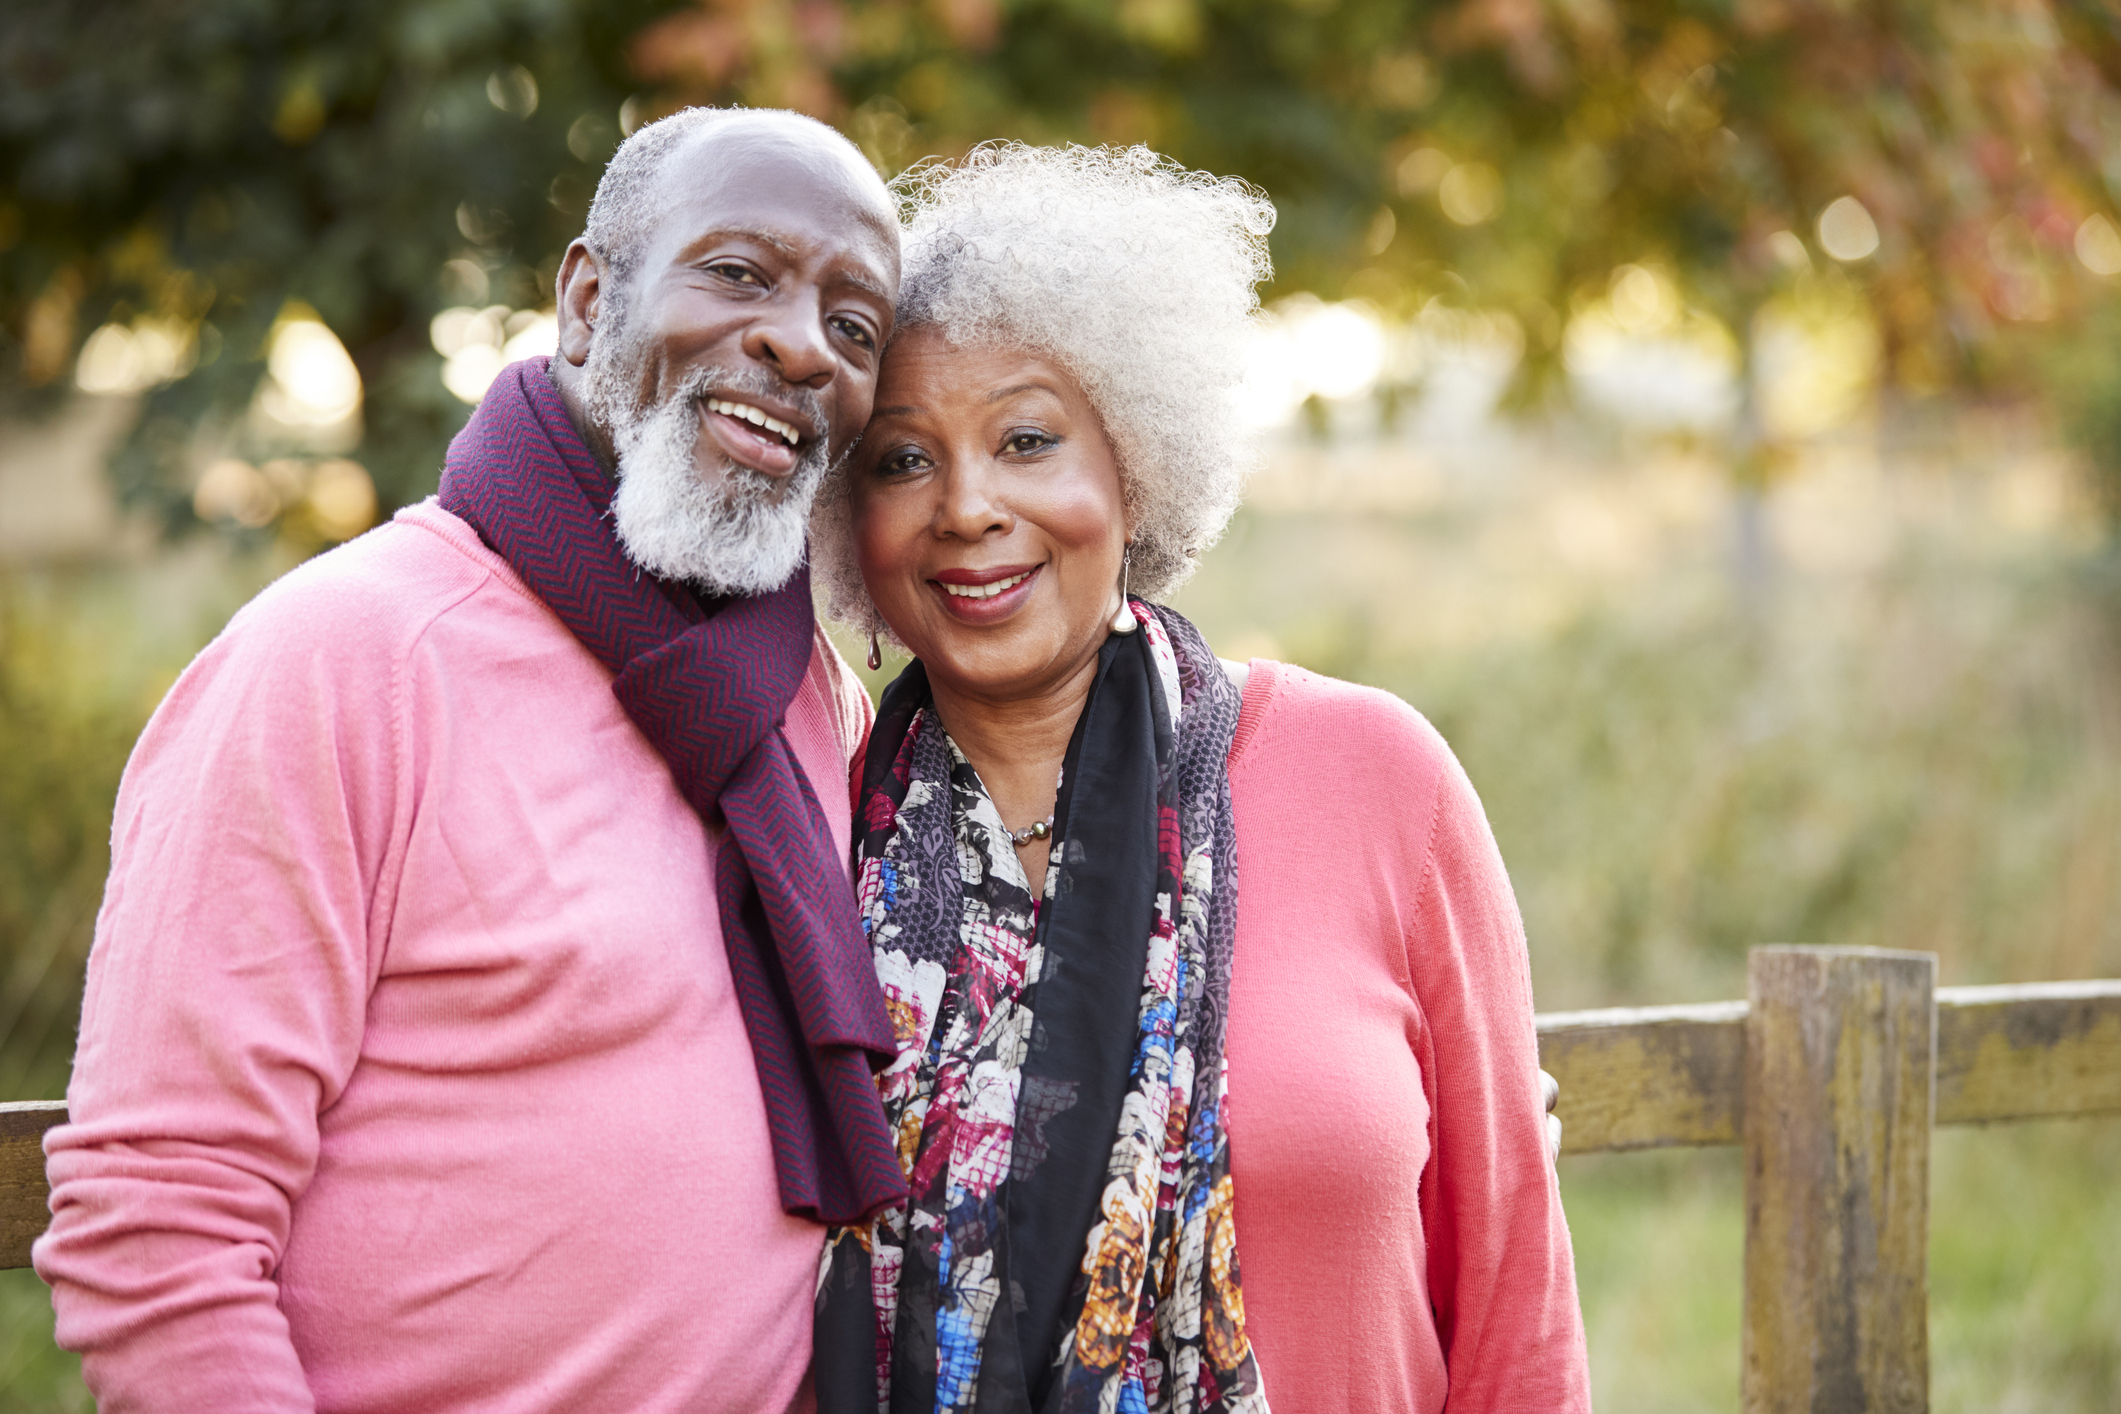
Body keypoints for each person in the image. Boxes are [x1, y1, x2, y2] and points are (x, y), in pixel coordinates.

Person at [35, 107, 909, 1413]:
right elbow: (159, 1223)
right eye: (738, 273)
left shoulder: (798, 689)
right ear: (588, 297)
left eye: (854, 327)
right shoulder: (343, 658)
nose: (798, 342)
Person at [807, 144, 1591, 1413]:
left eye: (1026, 438)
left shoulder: (1376, 779)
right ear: (847, 513)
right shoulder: (805, 832)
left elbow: (1517, 1311)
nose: (966, 505)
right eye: (901, 460)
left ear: (1132, 458)